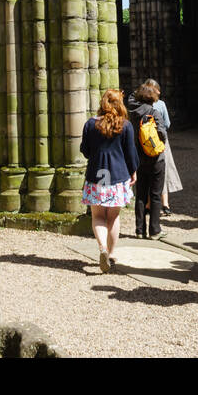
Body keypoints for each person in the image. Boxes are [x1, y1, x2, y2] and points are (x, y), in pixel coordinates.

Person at [80, 89, 139, 273]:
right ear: (119, 104)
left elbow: (85, 150)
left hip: (97, 175)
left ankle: (102, 249)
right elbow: (131, 153)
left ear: (102, 103)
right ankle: (112, 254)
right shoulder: (126, 126)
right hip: (117, 176)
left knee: (97, 216)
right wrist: (133, 171)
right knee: (113, 217)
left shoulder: (90, 124)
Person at [127, 82, 167, 239]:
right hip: (156, 159)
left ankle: (139, 230)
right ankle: (155, 230)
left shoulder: (132, 113)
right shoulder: (153, 112)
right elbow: (162, 133)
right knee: (155, 194)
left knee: (141, 194)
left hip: (139, 158)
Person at [145, 79, 182, 214]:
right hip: (160, 141)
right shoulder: (161, 104)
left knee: (149, 170)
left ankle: (149, 204)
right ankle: (165, 204)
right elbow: (167, 124)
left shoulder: (142, 105)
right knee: (163, 170)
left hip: (146, 142)